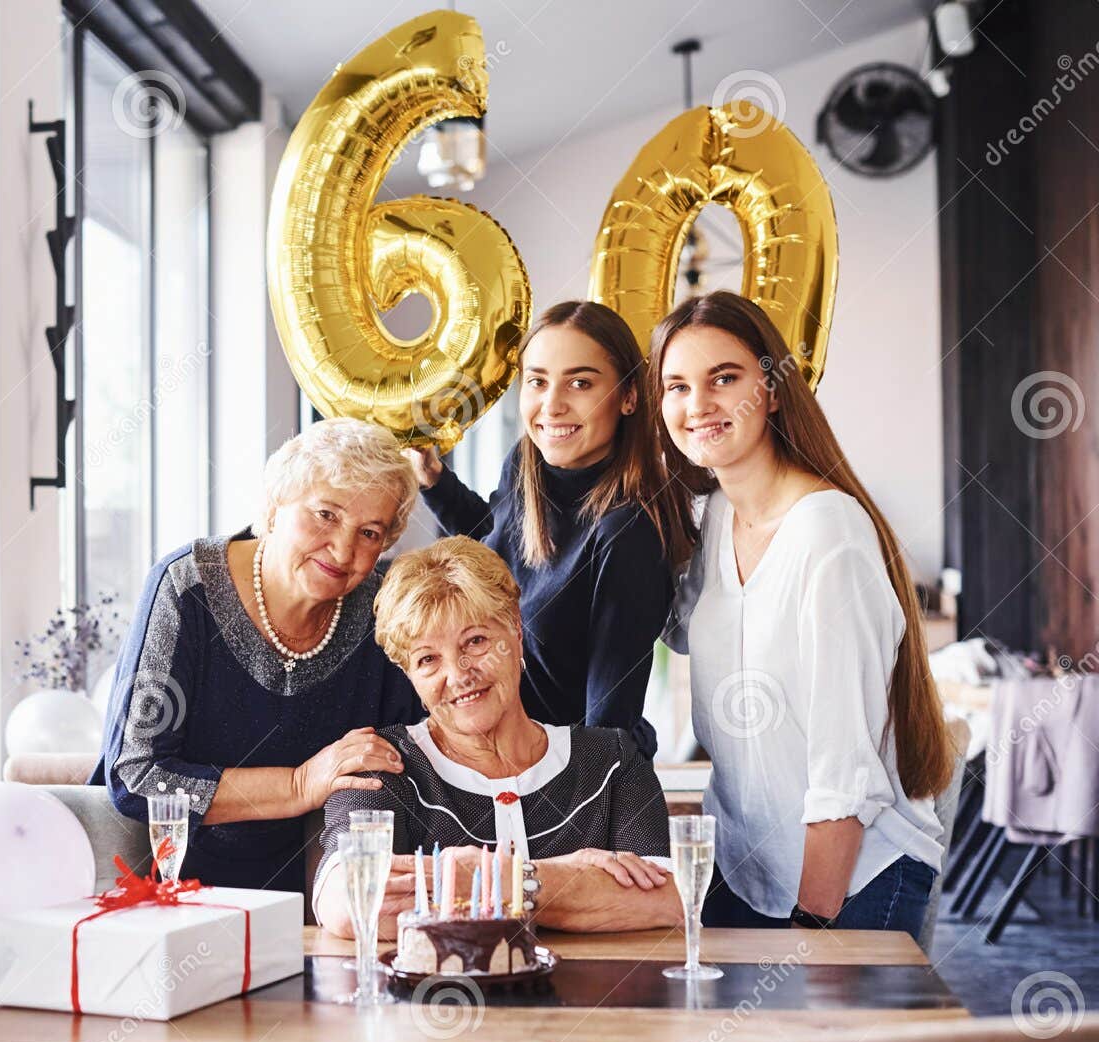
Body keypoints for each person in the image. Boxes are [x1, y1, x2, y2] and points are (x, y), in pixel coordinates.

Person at [656, 290, 953, 939]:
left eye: (723, 378)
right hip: (743, 870)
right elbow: (678, 633)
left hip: (851, 882)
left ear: (772, 389)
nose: (697, 404)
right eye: (676, 386)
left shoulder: (829, 534)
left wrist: (811, 925)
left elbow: (844, 773)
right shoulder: (717, 523)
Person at [97, 418, 423, 892]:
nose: (343, 547)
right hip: (167, 886)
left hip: (318, 888)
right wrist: (299, 785)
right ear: (274, 508)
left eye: (370, 532)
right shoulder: (186, 588)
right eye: (325, 514)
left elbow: (409, 760)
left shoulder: (382, 609)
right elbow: (138, 776)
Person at [312, 536, 682, 938]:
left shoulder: (611, 761)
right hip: (438, 999)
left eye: (475, 641)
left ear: (516, 631)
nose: (458, 675)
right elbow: (350, 904)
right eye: (428, 659)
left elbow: (667, 900)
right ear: (409, 675)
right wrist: (567, 882)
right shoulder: (383, 767)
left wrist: (511, 880)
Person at [405, 301, 693, 757]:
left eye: (580, 383)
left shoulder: (627, 533)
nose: (552, 405)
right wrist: (434, 480)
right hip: (499, 765)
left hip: (566, 787)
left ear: (628, 396)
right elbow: (494, 544)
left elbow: (607, 732)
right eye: (537, 381)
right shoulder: (526, 465)